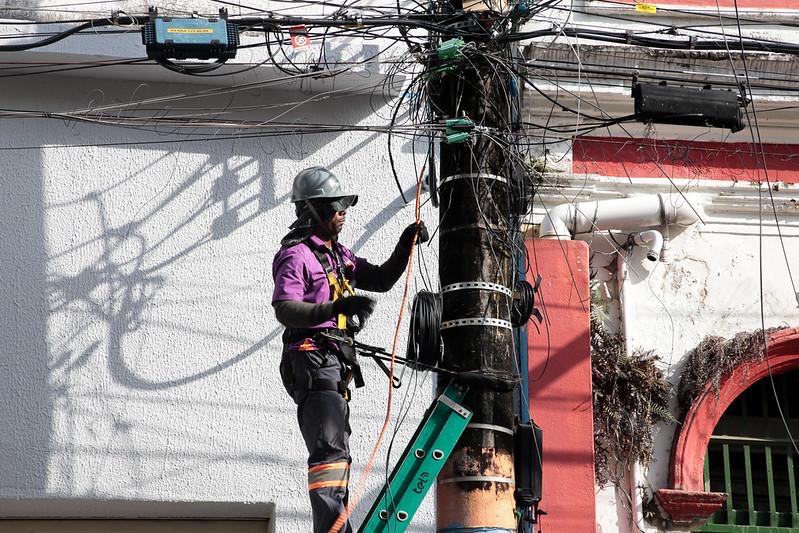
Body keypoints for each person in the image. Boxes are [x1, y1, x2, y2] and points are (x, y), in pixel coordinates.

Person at [272, 166, 428, 533]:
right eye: (336, 206)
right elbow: (284, 308)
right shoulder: (295, 256)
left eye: (344, 205)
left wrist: (403, 246)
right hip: (312, 358)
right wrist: (334, 309)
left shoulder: (339, 255)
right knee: (329, 451)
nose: (343, 212)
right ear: (313, 210)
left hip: (333, 362)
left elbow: (382, 279)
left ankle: (338, 527)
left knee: (337, 451)